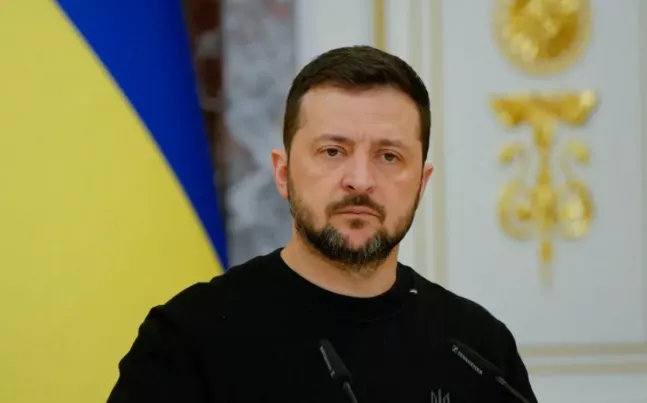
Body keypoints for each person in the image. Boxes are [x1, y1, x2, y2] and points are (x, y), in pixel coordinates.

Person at [108, 45, 538, 403]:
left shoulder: (478, 348)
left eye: (389, 156)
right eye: (333, 151)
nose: (361, 180)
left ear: (421, 184)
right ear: (283, 174)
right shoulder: (188, 338)